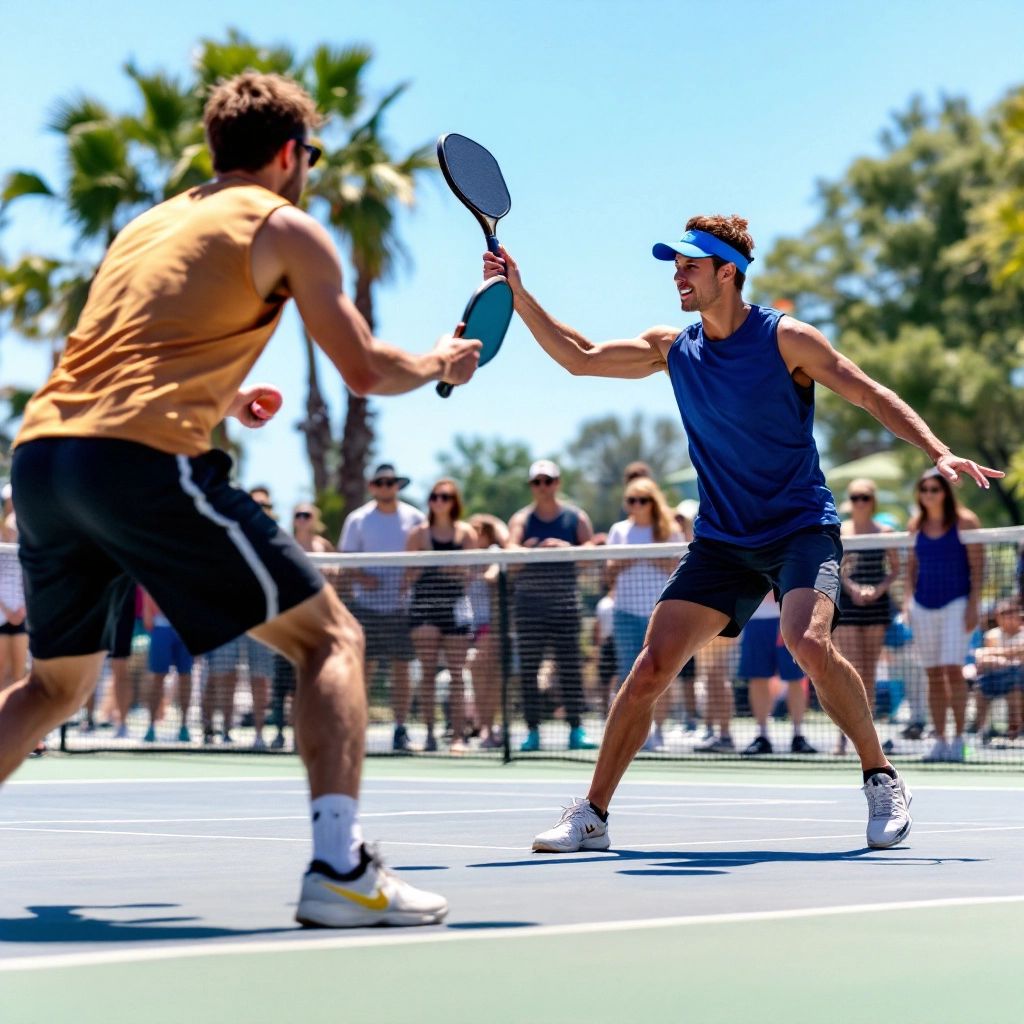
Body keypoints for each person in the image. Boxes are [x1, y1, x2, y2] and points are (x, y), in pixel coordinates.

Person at [2, 71, 481, 927]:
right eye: (315, 157)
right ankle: (341, 868)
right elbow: (366, 370)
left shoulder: (147, 226)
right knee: (330, 637)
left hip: (42, 457)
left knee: (52, 688)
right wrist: (443, 360)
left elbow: (117, 353)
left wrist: (223, 399)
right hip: (138, 459)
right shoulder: (285, 225)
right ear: (292, 153)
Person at [482, 214, 1001, 853]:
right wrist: (519, 291)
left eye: (690, 265)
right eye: (675, 265)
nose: (678, 275)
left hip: (800, 528)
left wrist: (937, 450)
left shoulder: (788, 340)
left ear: (728, 272)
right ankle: (591, 814)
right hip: (723, 541)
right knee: (648, 668)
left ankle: (881, 775)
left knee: (806, 643)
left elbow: (867, 393)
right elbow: (579, 358)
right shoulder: (672, 348)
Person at [508, 459, 596, 752]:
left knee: (570, 669)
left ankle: (576, 728)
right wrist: (533, 550)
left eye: (548, 481)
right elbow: (510, 550)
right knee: (529, 669)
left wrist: (564, 549)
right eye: (537, 482)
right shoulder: (522, 518)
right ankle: (532, 730)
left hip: (566, 606)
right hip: (529, 607)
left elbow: (590, 553)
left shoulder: (575, 518)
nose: (543, 487)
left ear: (557, 483)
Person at [339, 464, 425, 753]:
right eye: (381, 482)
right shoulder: (358, 519)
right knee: (363, 669)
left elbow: (424, 557)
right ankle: (355, 729)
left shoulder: (415, 517)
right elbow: (346, 561)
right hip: (366, 608)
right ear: (372, 486)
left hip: (402, 608)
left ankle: (400, 728)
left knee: (402, 669)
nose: (386, 487)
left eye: (391, 482)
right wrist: (364, 578)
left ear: (397, 485)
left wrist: (408, 579)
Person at [905, 469, 983, 763]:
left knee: (953, 670)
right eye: (924, 489)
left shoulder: (966, 521)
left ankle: (959, 740)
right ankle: (939, 740)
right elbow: (911, 567)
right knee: (933, 674)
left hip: (956, 604)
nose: (929, 494)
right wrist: (908, 604)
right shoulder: (916, 524)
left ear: (946, 492)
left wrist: (973, 605)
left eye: (934, 489)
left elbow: (978, 567)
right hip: (923, 606)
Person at [605, 475, 683, 752]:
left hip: (660, 612)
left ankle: (658, 731)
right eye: (631, 500)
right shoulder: (618, 531)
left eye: (642, 500)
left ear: (653, 502)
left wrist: (653, 557)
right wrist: (622, 561)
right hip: (625, 611)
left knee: (661, 673)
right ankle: (628, 735)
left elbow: (680, 570)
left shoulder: (669, 530)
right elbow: (607, 571)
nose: (636, 505)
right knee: (630, 673)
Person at [404, 479, 477, 752]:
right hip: (424, 608)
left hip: (455, 607)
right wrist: (446, 567)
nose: (439, 501)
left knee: (457, 674)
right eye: (434, 496)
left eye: (445, 497)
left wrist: (436, 566)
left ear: (454, 501)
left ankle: (458, 736)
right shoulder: (418, 534)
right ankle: (430, 734)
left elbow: (467, 572)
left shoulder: (466, 533)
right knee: (427, 673)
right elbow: (410, 572)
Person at [834, 478, 898, 754]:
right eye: (856, 497)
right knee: (848, 669)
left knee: (869, 672)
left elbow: (895, 569)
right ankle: (842, 736)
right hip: (847, 605)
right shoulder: (840, 531)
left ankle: (866, 737)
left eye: (865, 497)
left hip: (876, 606)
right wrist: (854, 589)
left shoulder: (885, 532)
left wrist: (877, 590)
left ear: (873, 501)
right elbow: (835, 567)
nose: (860, 502)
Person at [737, 592, 816, 755]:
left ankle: (798, 735)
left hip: (789, 617)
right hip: (755, 619)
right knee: (758, 678)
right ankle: (762, 735)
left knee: (796, 677)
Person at [466, 513, 510, 749]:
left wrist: (479, 574)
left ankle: (488, 728)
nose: (473, 534)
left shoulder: (493, 551)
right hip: (467, 625)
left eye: (478, 530)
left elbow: (493, 575)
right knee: (478, 676)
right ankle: (484, 727)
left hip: (490, 626)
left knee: (491, 677)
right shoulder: (464, 553)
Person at [972, 598, 1023, 741]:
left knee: (1015, 684)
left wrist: (997, 655)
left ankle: (1014, 732)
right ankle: (982, 731)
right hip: (995, 677)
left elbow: (1021, 652)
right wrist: (1010, 655)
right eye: (1004, 613)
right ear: (998, 617)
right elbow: (981, 655)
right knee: (980, 685)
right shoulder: (992, 634)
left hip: (1018, 678)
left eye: (1013, 612)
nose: (1009, 616)